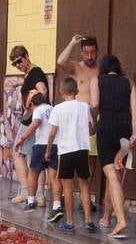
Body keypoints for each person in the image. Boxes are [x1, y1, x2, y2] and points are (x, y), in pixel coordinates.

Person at [89, 54, 136, 238]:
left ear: (103, 68)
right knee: (115, 175)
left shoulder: (97, 80)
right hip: (125, 131)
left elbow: (95, 104)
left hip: (107, 129)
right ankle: (106, 218)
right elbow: (135, 111)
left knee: (112, 175)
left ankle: (121, 220)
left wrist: (92, 123)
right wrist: (134, 133)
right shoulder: (129, 83)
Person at [45, 77, 96, 233]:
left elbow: (52, 133)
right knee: (84, 185)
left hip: (65, 151)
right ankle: (88, 220)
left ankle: (70, 222)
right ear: (77, 91)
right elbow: (91, 129)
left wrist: (48, 151)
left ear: (61, 92)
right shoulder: (84, 107)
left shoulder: (57, 109)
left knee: (67, 187)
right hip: (82, 149)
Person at [56, 33, 101, 201]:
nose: (90, 56)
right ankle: (61, 195)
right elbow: (60, 62)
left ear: (97, 52)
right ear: (82, 52)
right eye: (86, 52)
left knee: (91, 158)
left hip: (93, 117)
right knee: (68, 155)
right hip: (75, 119)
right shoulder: (76, 67)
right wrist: (72, 43)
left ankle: (85, 197)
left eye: (93, 52)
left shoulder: (100, 70)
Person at [9, 45, 49, 206]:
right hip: (41, 118)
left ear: (26, 56)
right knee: (37, 157)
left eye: (19, 61)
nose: (18, 65)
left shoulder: (35, 73)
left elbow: (43, 90)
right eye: (14, 63)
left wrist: (33, 109)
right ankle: (39, 196)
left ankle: (26, 191)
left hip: (32, 119)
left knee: (17, 152)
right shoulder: (32, 74)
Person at [13, 91, 59, 213]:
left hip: (41, 145)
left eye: (30, 108)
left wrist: (22, 138)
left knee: (33, 173)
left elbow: (35, 124)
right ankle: (56, 205)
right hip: (55, 145)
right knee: (53, 177)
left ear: (32, 104)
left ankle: (31, 200)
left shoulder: (38, 110)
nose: (31, 111)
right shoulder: (53, 108)